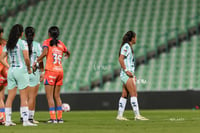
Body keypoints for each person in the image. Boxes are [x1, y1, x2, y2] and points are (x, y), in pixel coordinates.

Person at [0, 24, 37, 126]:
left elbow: (1, 58)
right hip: (21, 70)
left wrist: (9, 66)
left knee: (10, 97)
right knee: (23, 97)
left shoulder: (9, 44)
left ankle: (7, 121)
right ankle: (25, 121)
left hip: (11, 71)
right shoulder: (22, 43)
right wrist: (29, 68)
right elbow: (26, 58)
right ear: (21, 33)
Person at [33, 26, 70, 123]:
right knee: (57, 96)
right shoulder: (61, 43)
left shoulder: (47, 42)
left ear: (49, 34)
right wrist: (67, 54)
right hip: (60, 71)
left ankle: (53, 118)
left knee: (50, 97)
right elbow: (67, 51)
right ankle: (60, 118)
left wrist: (37, 60)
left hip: (51, 71)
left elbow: (45, 52)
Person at [116, 31, 148, 121]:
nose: (136, 39)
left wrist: (132, 74)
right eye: (135, 37)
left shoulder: (128, 47)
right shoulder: (126, 46)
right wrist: (126, 71)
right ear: (132, 38)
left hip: (126, 74)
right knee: (134, 94)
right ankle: (137, 115)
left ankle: (119, 115)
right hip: (126, 74)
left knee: (124, 95)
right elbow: (120, 58)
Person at [20, 27, 44, 124]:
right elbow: (40, 60)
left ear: (25, 35)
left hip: (23, 71)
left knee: (24, 97)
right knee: (32, 97)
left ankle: (23, 116)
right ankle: (30, 118)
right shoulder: (37, 45)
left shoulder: (21, 44)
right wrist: (42, 71)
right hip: (34, 72)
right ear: (34, 35)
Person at [0, 26, 8, 125]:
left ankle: (2, 117)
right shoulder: (5, 43)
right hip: (5, 72)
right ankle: (3, 117)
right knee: (1, 97)